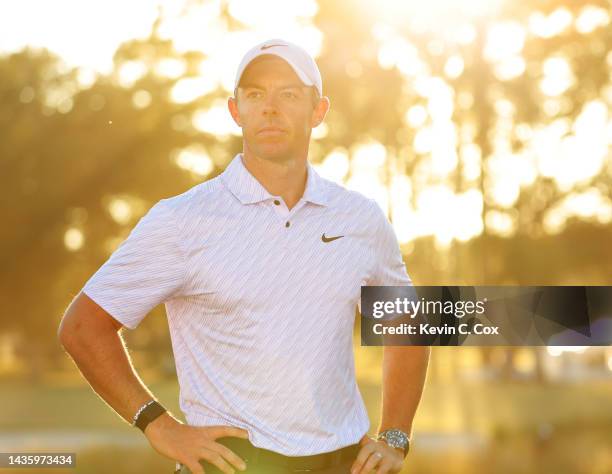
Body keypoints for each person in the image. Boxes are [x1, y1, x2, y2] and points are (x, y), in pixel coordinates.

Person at [58, 38, 430, 474]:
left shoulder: (361, 218)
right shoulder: (183, 220)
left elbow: (409, 324)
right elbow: (82, 327)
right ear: (236, 111)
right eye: (255, 95)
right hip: (229, 466)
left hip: (342, 464)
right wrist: (157, 425)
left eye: (288, 94)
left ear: (318, 111)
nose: (269, 108)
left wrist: (396, 436)